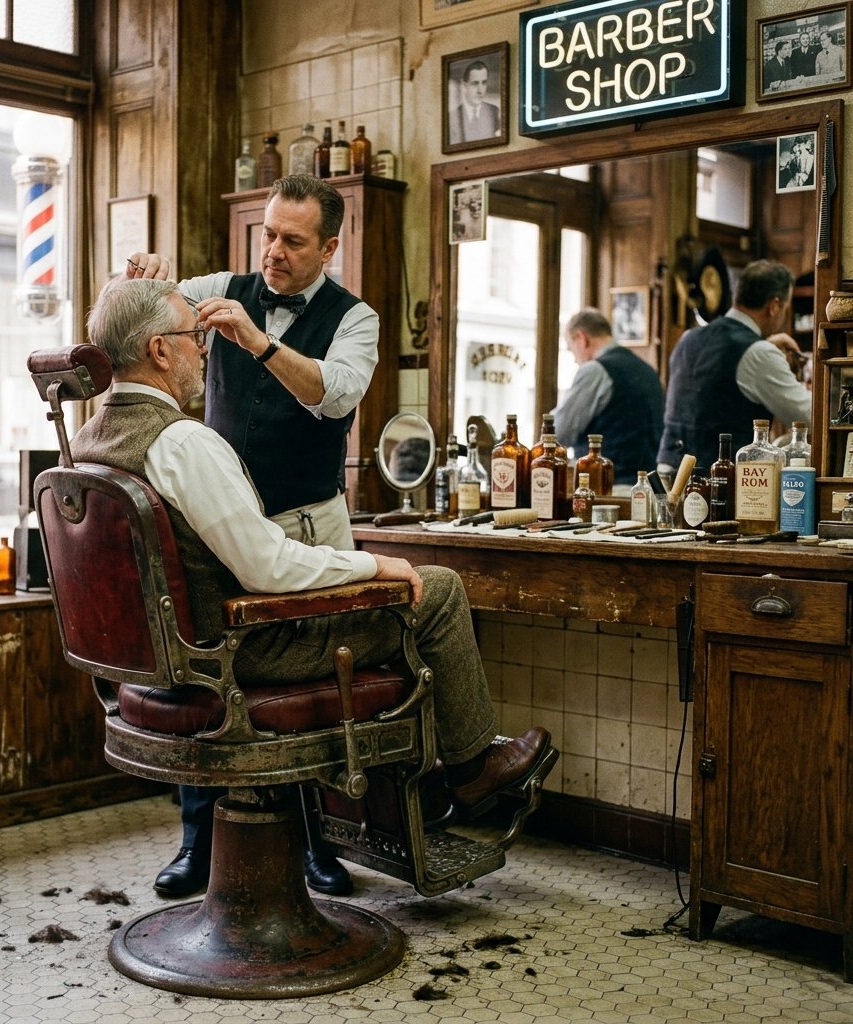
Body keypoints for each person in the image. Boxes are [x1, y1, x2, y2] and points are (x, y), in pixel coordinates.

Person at [72, 274, 557, 898]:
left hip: (145, 674)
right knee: (436, 589)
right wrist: (373, 566)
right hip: (240, 659)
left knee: (399, 587)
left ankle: (407, 794)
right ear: (160, 352)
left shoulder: (86, 443)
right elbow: (268, 571)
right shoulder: (181, 443)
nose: (203, 349)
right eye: (193, 338)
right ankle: (470, 772)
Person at [125, 175, 379, 899]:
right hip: (222, 526)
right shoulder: (225, 285)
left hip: (308, 522)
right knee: (214, 670)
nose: (273, 252)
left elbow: (330, 394)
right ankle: (196, 844)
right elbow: (155, 315)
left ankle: (315, 845)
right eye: (268, 233)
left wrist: (257, 340)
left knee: (305, 684)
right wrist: (143, 278)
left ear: (331, 246)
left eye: (293, 241)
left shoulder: (356, 319)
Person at [656, 260, 811, 474]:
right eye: (785, 307)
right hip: (716, 480)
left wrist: (764, 348)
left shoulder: (689, 338)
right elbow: (807, 416)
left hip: (667, 470)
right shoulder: (759, 353)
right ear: (774, 306)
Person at [552, 309, 664, 486]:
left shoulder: (595, 371)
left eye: (571, 348)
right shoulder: (647, 370)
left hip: (608, 489)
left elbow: (559, 431)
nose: (574, 359)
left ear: (582, 339)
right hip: (648, 486)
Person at [448, 60, 501, 144]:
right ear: (465, 85)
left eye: (484, 83)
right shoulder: (453, 116)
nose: (480, 91)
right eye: (475, 84)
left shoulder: (493, 110)